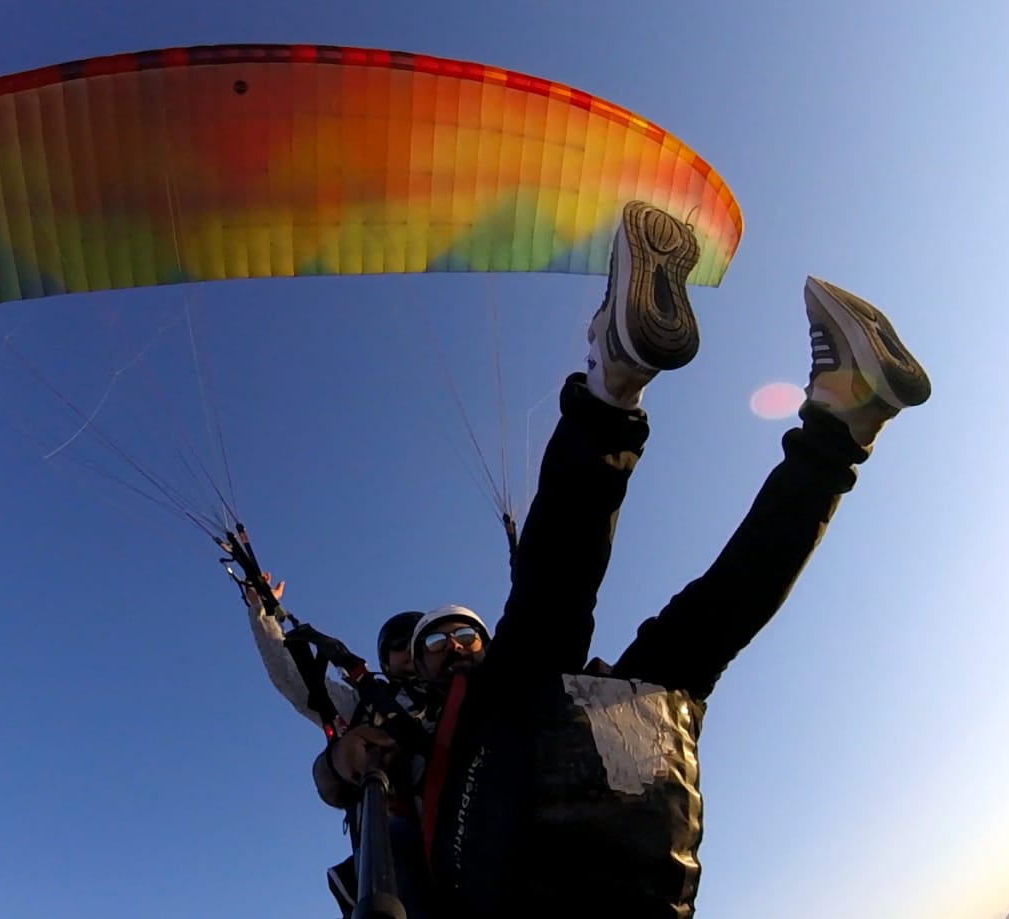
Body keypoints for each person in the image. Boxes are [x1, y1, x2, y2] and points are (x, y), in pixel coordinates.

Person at [321, 200, 932, 917]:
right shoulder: (392, 719)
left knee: (674, 637)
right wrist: (341, 757)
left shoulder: (494, 680)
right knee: (658, 631)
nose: (456, 644)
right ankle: (649, 384)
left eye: (466, 634)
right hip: (520, 856)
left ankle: (838, 411)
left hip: (586, 817)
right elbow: (332, 768)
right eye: (437, 641)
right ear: (413, 664)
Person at [243, 581, 434, 916]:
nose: (410, 652)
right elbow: (296, 681)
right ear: (385, 662)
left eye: (420, 643)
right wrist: (262, 615)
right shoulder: (365, 703)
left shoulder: (465, 688)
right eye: (400, 645)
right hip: (399, 837)